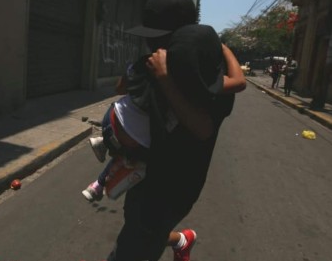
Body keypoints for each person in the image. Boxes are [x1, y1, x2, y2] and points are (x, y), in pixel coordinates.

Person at [77, 0, 244, 261]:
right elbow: (122, 87)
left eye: (159, 39)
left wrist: (166, 79)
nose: (154, 47)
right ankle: (180, 241)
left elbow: (202, 126)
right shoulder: (159, 64)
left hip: (174, 182)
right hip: (143, 170)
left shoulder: (193, 73)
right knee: (140, 229)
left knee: (135, 245)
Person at [81, 42, 245, 202]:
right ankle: (104, 182)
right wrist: (224, 48)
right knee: (142, 158)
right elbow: (239, 82)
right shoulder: (198, 78)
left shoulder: (150, 60)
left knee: (132, 140)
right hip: (138, 143)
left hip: (110, 119)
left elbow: (120, 89)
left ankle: (105, 145)